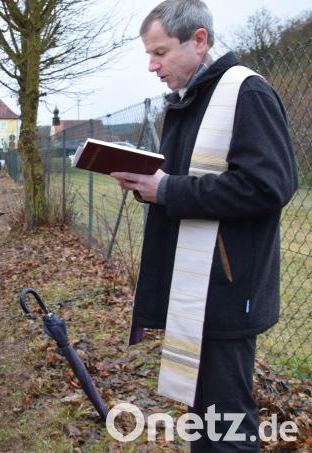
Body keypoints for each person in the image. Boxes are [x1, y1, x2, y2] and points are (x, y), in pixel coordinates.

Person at [109, 1, 298, 451]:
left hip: (227, 290)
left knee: (229, 424)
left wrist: (168, 190)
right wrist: (147, 184)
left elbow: (269, 186)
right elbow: (183, 179)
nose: (152, 66)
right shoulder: (190, 99)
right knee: (203, 418)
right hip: (196, 286)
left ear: (198, 40)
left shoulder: (246, 92)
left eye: (159, 52)